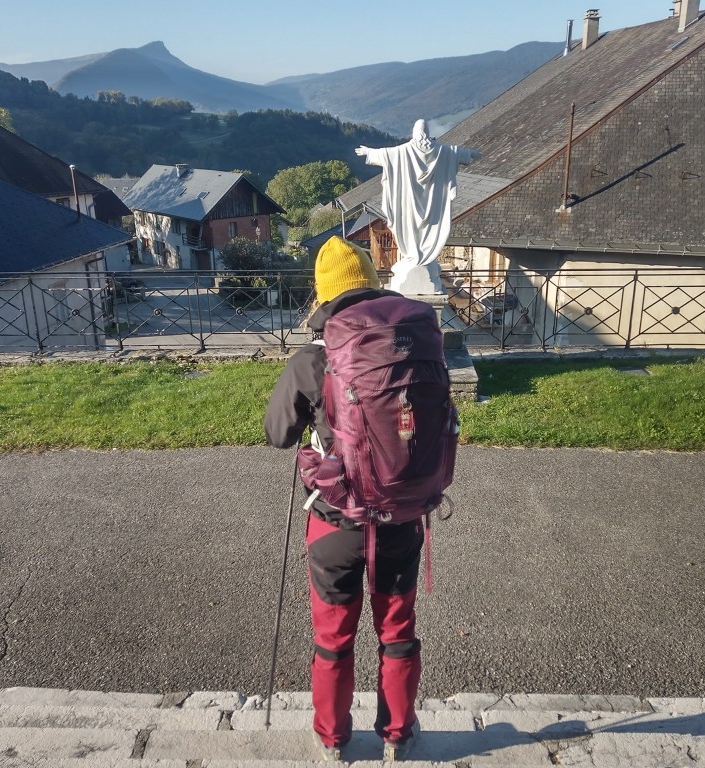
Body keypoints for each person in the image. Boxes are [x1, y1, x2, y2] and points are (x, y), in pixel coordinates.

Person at [264, 236, 424, 762]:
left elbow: (278, 433)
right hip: (401, 515)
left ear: (325, 297)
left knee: (334, 634)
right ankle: (398, 735)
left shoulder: (313, 359)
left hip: (336, 522)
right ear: (374, 289)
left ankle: (333, 738)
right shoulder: (413, 347)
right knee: (397, 629)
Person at [356, 119, 480, 295]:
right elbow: (455, 152)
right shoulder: (440, 151)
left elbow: (387, 154)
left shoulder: (404, 151)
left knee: (408, 227)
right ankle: (420, 256)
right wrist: (470, 153)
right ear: (427, 133)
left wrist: (368, 152)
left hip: (409, 204)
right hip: (432, 204)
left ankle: (414, 255)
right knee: (426, 229)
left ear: (415, 133)